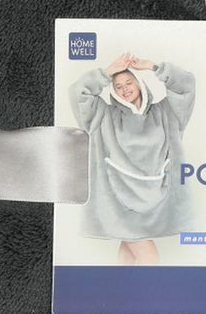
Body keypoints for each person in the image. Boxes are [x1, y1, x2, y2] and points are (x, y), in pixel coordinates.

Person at [69, 51, 195, 265]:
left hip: (156, 201)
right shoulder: (103, 115)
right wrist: (107, 72)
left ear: (139, 83)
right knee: (150, 256)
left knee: (128, 257)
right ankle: (142, 289)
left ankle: (120, 288)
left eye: (129, 82)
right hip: (116, 203)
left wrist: (154, 67)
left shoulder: (166, 112)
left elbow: (186, 87)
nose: (125, 89)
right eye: (118, 86)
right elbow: (77, 93)